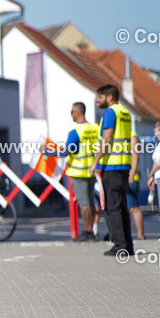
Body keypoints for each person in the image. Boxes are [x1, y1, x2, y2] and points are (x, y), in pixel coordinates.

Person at [44, 103, 100, 242]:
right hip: (92, 171)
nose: (71, 115)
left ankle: (88, 232)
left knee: (84, 203)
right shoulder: (95, 128)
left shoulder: (75, 132)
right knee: (91, 203)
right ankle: (91, 231)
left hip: (78, 172)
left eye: (72, 112)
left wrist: (46, 151)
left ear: (77, 113)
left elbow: (65, 152)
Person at [90, 84, 135, 256]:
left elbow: (107, 139)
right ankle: (127, 245)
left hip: (112, 166)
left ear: (109, 97)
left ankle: (120, 246)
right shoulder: (125, 112)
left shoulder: (110, 112)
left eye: (100, 97)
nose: (97, 100)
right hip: (124, 166)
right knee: (122, 207)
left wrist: (95, 162)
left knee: (112, 208)